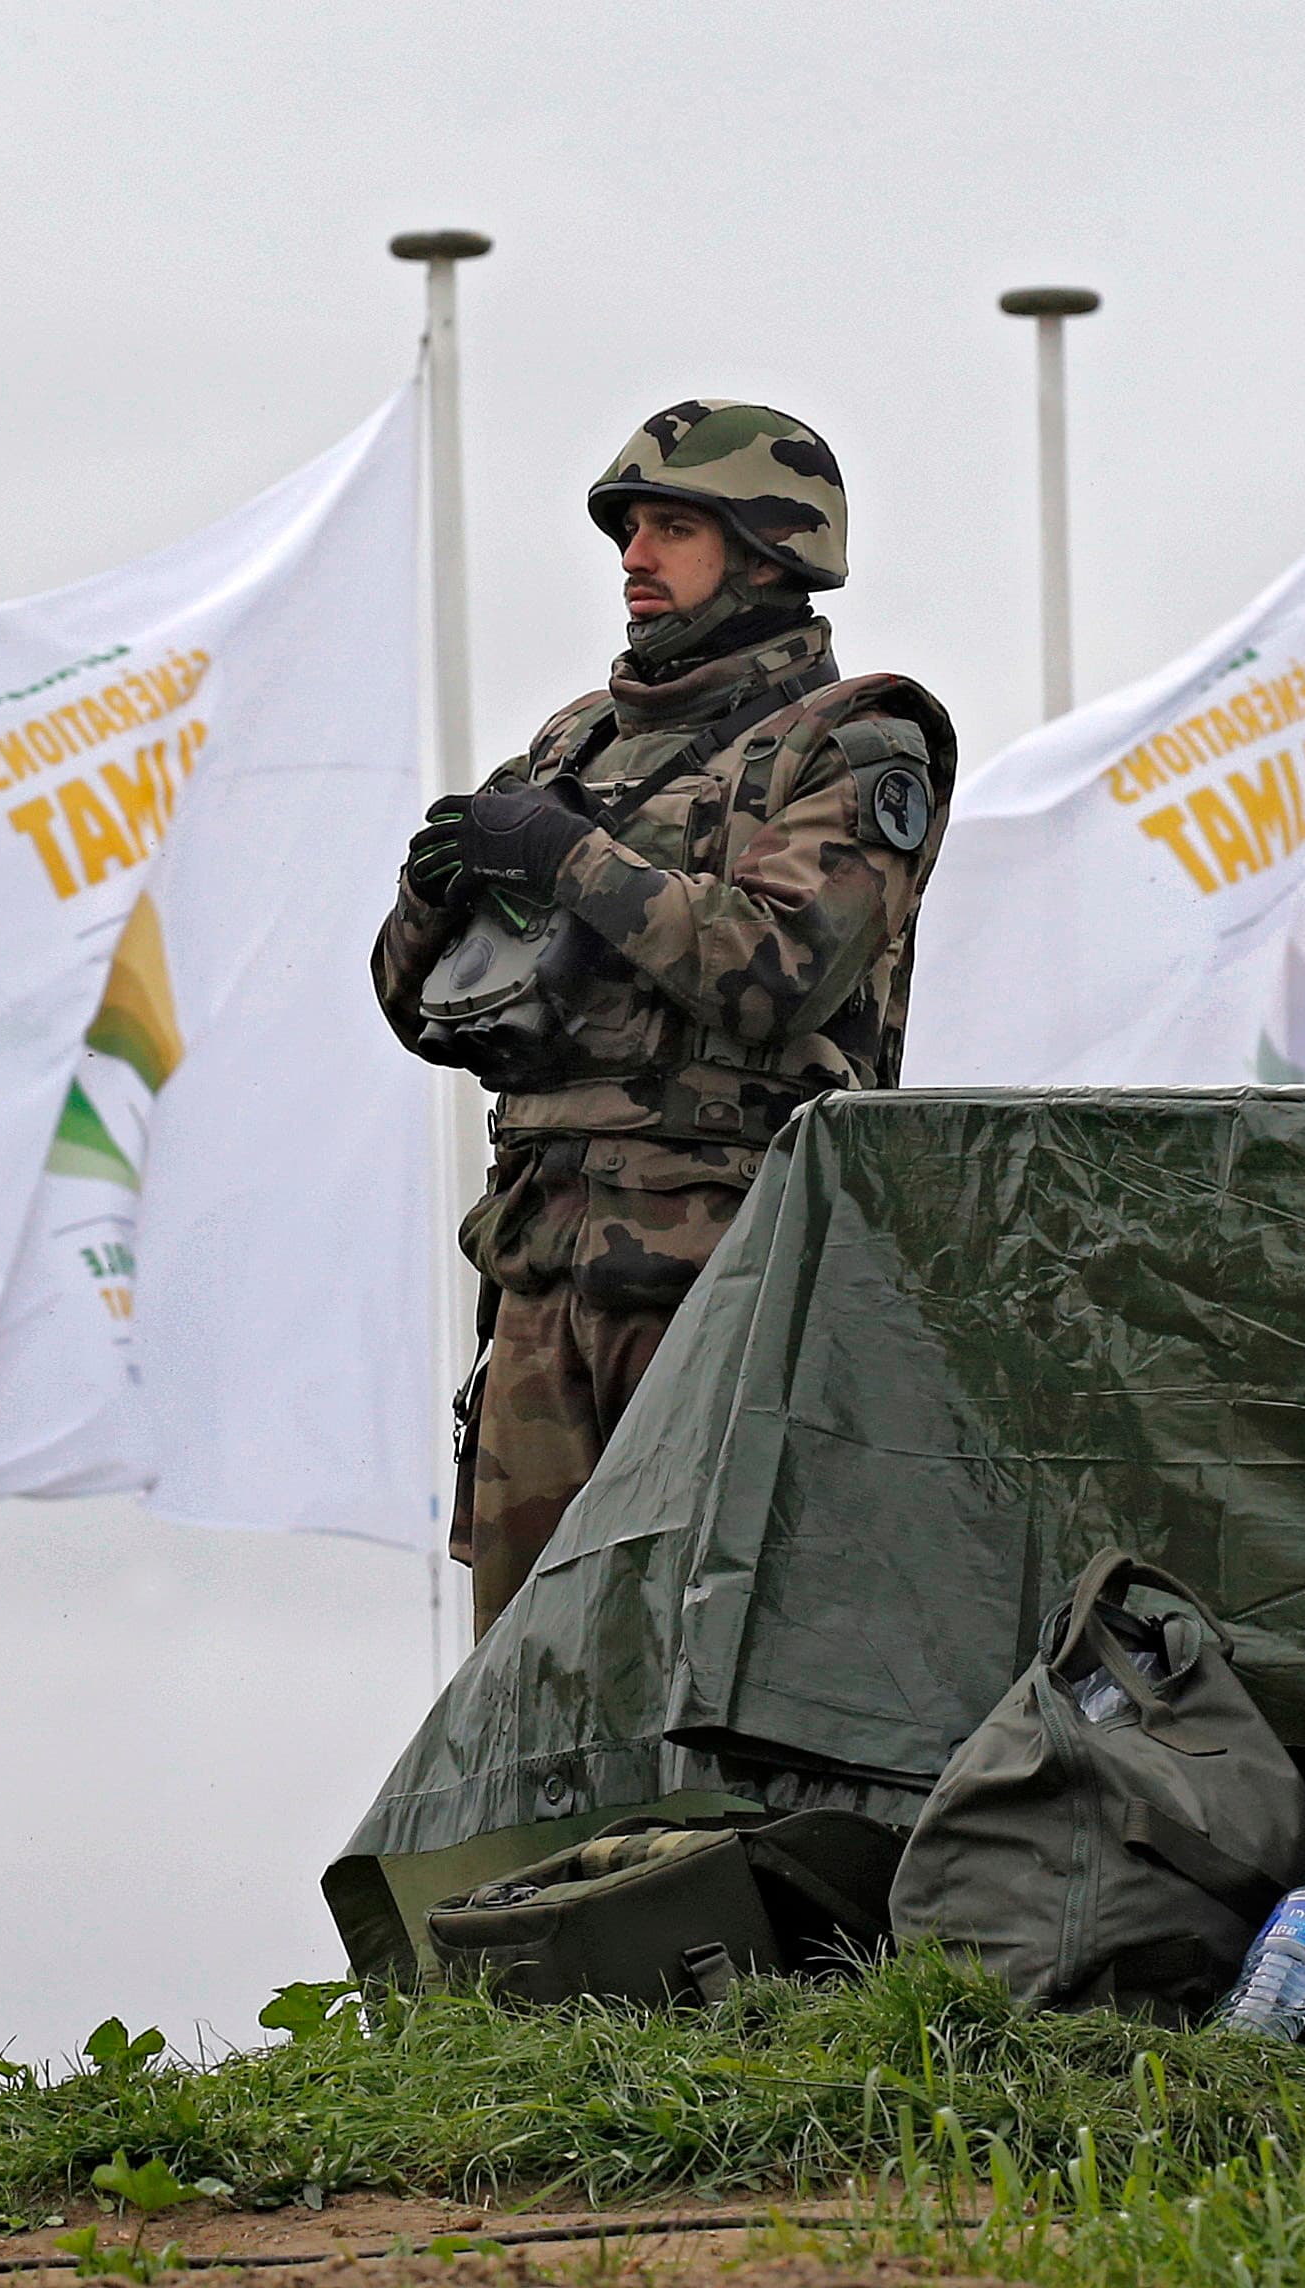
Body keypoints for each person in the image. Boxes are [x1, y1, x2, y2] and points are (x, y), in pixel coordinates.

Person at [375, 402, 954, 1635]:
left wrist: (568, 858)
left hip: (725, 1277)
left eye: (674, 527)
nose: (634, 557)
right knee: (525, 1680)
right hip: (540, 1274)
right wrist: (433, 899)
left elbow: (777, 964)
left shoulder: (855, 741)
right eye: (629, 529)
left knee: (707, 1651)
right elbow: (424, 1014)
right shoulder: (573, 745)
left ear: (769, 551)